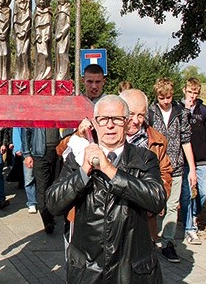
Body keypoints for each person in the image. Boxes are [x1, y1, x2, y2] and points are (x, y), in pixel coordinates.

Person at [46, 95, 166, 283]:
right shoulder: (77, 159)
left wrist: (110, 170)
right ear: (95, 123)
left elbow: (156, 199)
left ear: (126, 124)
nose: (110, 125)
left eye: (117, 119)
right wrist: (83, 172)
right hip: (88, 270)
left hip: (131, 270)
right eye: (103, 119)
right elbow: (53, 204)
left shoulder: (144, 158)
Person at [147, 78, 197, 263]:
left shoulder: (181, 113)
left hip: (176, 166)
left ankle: (168, 242)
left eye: (168, 97)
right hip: (155, 167)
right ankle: (151, 238)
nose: (166, 101)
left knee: (172, 206)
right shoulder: (150, 113)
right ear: (157, 96)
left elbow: (186, 140)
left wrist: (191, 169)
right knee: (152, 206)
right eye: (162, 97)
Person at [119, 88, 173, 242]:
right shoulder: (105, 133)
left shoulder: (157, 141)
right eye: (131, 114)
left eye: (141, 115)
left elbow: (165, 175)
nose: (136, 120)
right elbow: (62, 149)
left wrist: (155, 200)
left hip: (143, 219)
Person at [180, 78, 206, 245]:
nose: (192, 96)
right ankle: (190, 229)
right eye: (190, 92)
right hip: (183, 160)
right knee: (186, 194)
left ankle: (192, 212)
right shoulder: (178, 108)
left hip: (201, 158)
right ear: (184, 91)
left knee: (205, 192)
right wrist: (186, 110)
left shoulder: (204, 110)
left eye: (195, 93)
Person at [12, 127, 37, 213]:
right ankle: (32, 202)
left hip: (40, 150)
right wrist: (18, 148)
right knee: (29, 178)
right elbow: (17, 129)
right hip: (27, 150)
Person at [12, 0, 32, 80]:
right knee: (19, 53)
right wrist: (17, 31)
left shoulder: (28, 7)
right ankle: (18, 74)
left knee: (25, 53)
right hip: (18, 34)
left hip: (26, 33)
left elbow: (29, 20)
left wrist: (25, 31)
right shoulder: (16, 8)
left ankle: (26, 74)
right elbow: (15, 21)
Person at [34, 0, 53, 80]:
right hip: (39, 36)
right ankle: (39, 74)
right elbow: (36, 25)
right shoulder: (36, 13)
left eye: (43, 0)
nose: (41, 2)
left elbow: (48, 24)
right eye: (40, 0)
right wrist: (37, 34)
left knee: (45, 54)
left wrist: (47, 35)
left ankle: (47, 74)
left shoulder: (48, 13)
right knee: (39, 54)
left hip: (45, 35)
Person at [54, 0, 71, 81]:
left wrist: (62, 32)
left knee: (62, 53)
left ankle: (64, 74)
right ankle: (58, 73)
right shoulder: (58, 8)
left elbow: (68, 23)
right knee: (57, 54)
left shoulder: (66, 8)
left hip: (63, 35)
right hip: (57, 33)